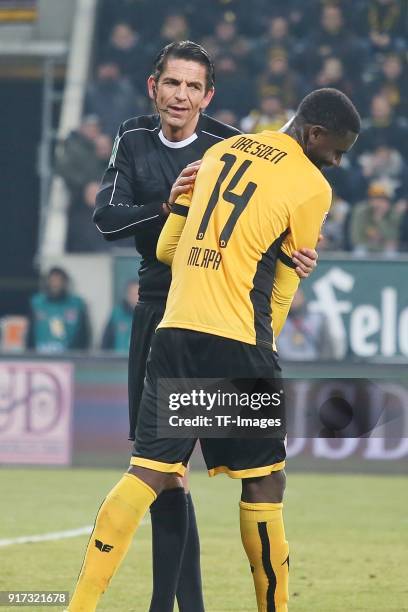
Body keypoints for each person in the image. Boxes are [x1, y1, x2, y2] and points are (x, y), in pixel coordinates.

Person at [67, 87, 360, 611]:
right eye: (337, 149)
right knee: (267, 484)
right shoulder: (312, 186)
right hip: (238, 342)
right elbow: (283, 287)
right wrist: (264, 346)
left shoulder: (222, 152)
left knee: (148, 472)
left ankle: (80, 606)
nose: (337, 162)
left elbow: (166, 250)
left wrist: (180, 206)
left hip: (175, 331)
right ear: (314, 134)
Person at [27, 267, 91, 353]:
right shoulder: (36, 303)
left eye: (59, 281)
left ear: (65, 283)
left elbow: (85, 334)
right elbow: (29, 334)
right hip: (41, 358)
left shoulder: (77, 304)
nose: (55, 284)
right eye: (52, 281)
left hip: (70, 358)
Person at [101, 280, 139, 352]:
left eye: (137, 294)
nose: (135, 298)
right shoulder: (116, 314)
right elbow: (106, 341)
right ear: (127, 295)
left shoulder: (149, 316)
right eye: (132, 294)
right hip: (118, 360)